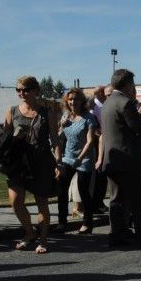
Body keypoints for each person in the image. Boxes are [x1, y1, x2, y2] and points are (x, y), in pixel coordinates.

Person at [100, 69, 141, 248]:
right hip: (129, 159)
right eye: (132, 83)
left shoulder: (108, 103)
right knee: (140, 201)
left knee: (117, 200)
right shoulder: (125, 103)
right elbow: (138, 128)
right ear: (127, 84)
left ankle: (117, 235)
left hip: (112, 159)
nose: (134, 87)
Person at [2, 76, 57, 253]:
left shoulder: (47, 113)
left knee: (41, 202)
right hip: (18, 162)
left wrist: (59, 162)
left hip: (41, 161)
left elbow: (55, 140)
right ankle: (29, 232)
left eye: (25, 89)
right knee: (16, 201)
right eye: (18, 89)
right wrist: (13, 137)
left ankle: (43, 240)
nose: (21, 93)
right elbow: (3, 138)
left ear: (36, 91)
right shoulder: (11, 111)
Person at [56, 89, 99, 235]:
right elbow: (59, 138)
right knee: (61, 190)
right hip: (67, 157)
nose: (72, 102)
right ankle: (62, 222)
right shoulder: (66, 116)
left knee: (83, 191)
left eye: (75, 99)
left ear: (82, 101)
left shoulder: (89, 118)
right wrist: (61, 126)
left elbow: (91, 141)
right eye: (70, 99)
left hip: (84, 158)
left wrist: (79, 159)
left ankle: (87, 223)